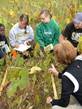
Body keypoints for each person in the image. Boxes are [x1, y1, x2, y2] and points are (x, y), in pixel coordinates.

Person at [46, 40, 82, 108]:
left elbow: (64, 103)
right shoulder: (80, 59)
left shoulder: (67, 78)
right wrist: (57, 74)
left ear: (59, 59)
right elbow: (76, 76)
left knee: (55, 107)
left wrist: (52, 101)